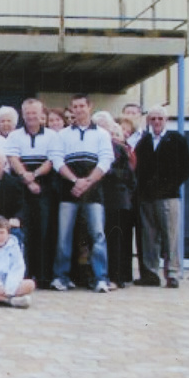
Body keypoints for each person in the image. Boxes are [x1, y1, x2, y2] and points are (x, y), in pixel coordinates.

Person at [49, 93, 114, 293]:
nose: (78, 110)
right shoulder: (63, 135)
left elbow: (105, 160)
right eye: (74, 107)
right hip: (68, 192)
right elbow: (57, 160)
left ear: (89, 107)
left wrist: (87, 182)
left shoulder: (102, 134)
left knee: (98, 235)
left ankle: (101, 278)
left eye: (81, 106)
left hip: (93, 193)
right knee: (64, 236)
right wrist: (75, 181)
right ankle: (61, 277)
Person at [134, 105, 189, 288]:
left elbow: (186, 167)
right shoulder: (144, 142)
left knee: (170, 236)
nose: (156, 122)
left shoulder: (176, 140)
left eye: (160, 118)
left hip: (168, 197)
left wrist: (169, 187)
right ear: (148, 121)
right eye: (153, 119)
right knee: (149, 237)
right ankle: (151, 274)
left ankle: (173, 273)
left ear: (166, 120)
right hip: (147, 198)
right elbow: (138, 169)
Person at [5, 98, 58, 284]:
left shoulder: (52, 136)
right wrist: (27, 179)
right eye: (27, 113)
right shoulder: (14, 136)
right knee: (23, 229)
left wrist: (34, 175)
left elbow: (52, 160)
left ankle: (43, 276)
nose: (31, 116)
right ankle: (24, 274)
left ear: (41, 113)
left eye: (34, 113)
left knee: (44, 230)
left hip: (45, 185)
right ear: (22, 114)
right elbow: (12, 158)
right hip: (20, 185)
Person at [95, 111, 136, 288]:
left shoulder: (118, 148)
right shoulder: (93, 145)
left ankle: (116, 277)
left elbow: (128, 175)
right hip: (97, 198)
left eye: (107, 128)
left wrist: (105, 172)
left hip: (116, 199)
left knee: (115, 240)